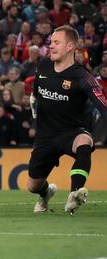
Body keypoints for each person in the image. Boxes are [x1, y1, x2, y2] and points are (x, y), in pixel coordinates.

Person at [27, 26, 107, 215]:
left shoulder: (82, 76)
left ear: (70, 46)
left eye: (56, 42)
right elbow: (34, 95)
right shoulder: (44, 66)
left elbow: (103, 104)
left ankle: (75, 193)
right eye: (51, 42)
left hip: (71, 131)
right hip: (45, 136)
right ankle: (46, 193)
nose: (51, 46)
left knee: (84, 142)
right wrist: (35, 119)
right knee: (32, 185)